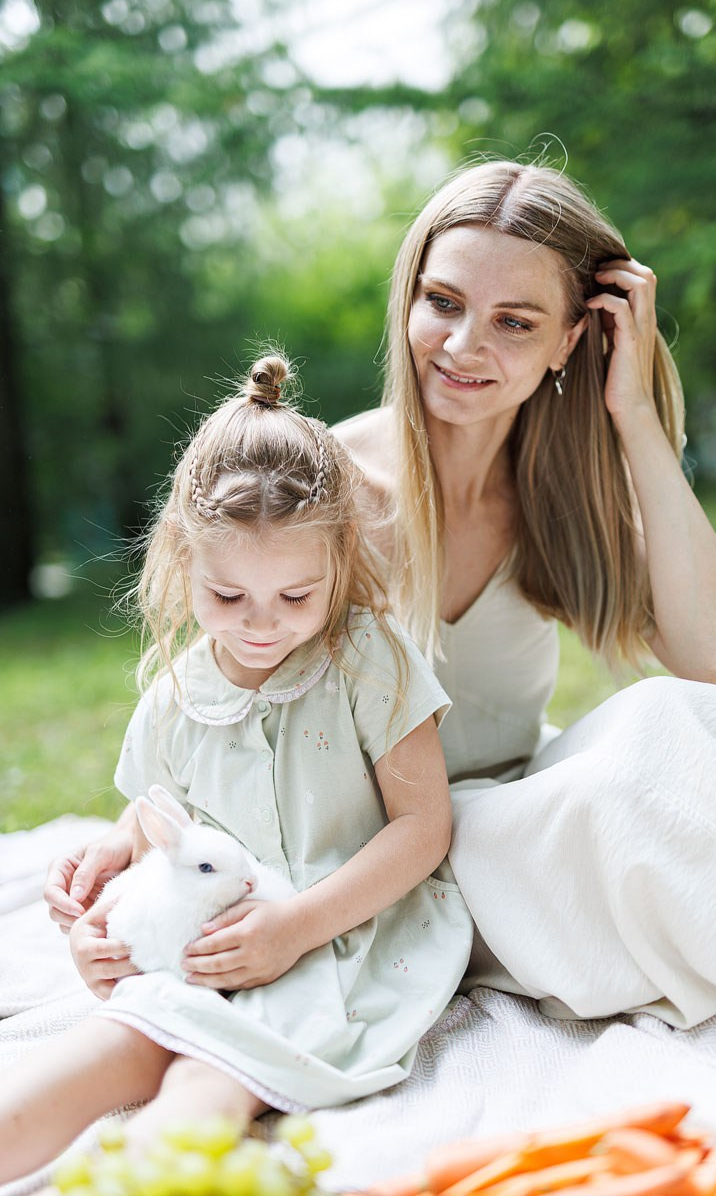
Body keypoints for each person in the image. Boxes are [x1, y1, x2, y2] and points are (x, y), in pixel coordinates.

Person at [332, 158, 716, 1029]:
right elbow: (216, 701)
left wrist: (635, 415)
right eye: (443, 302)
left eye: (515, 322)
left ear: (570, 341)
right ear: (408, 301)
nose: (465, 345)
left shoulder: (554, 492)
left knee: (671, 719)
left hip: (527, 800)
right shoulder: (323, 488)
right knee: (614, 798)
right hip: (402, 855)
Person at [2, 354, 471, 1186]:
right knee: (106, 1048)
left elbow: (423, 827)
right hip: (203, 939)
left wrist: (292, 929)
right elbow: (156, 822)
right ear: (184, 561)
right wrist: (104, 894)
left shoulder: (367, 659)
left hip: (336, 934)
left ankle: (146, 1175)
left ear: (340, 562)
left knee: (205, 1077)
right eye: (229, 598)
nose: (262, 626)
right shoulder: (178, 693)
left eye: (297, 597)